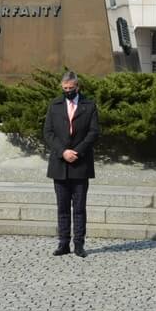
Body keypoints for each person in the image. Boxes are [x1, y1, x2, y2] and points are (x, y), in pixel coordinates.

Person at [43, 71, 100, 257]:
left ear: (78, 87)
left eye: (71, 88)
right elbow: (48, 133)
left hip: (80, 163)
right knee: (62, 207)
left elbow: (93, 132)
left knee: (80, 207)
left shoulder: (89, 106)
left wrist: (78, 151)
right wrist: (63, 152)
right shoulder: (54, 105)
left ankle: (79, 244)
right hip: (60, 164)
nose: (68, 91)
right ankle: (63, 243)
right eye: (65, 88)